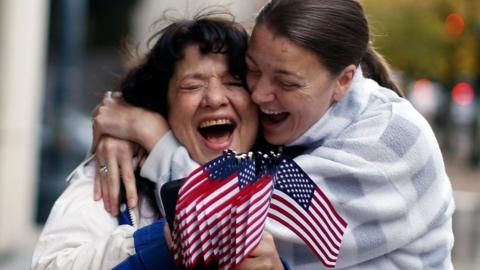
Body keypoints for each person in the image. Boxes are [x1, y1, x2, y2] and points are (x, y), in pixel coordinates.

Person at [93, 0, 455, 269]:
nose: (259, 94)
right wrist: (128, 119)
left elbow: (220, 229)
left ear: (344, 80)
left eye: (285, 82)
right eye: (251, 71)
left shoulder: (388, 141)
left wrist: (149, 131)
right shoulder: (299, 125)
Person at [32, 13, 284, 270]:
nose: (215, 98)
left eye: (234, 83)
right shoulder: (115, 168)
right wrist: (155, 244)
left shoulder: (294, 179)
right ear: (163, 106)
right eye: (192, 86)